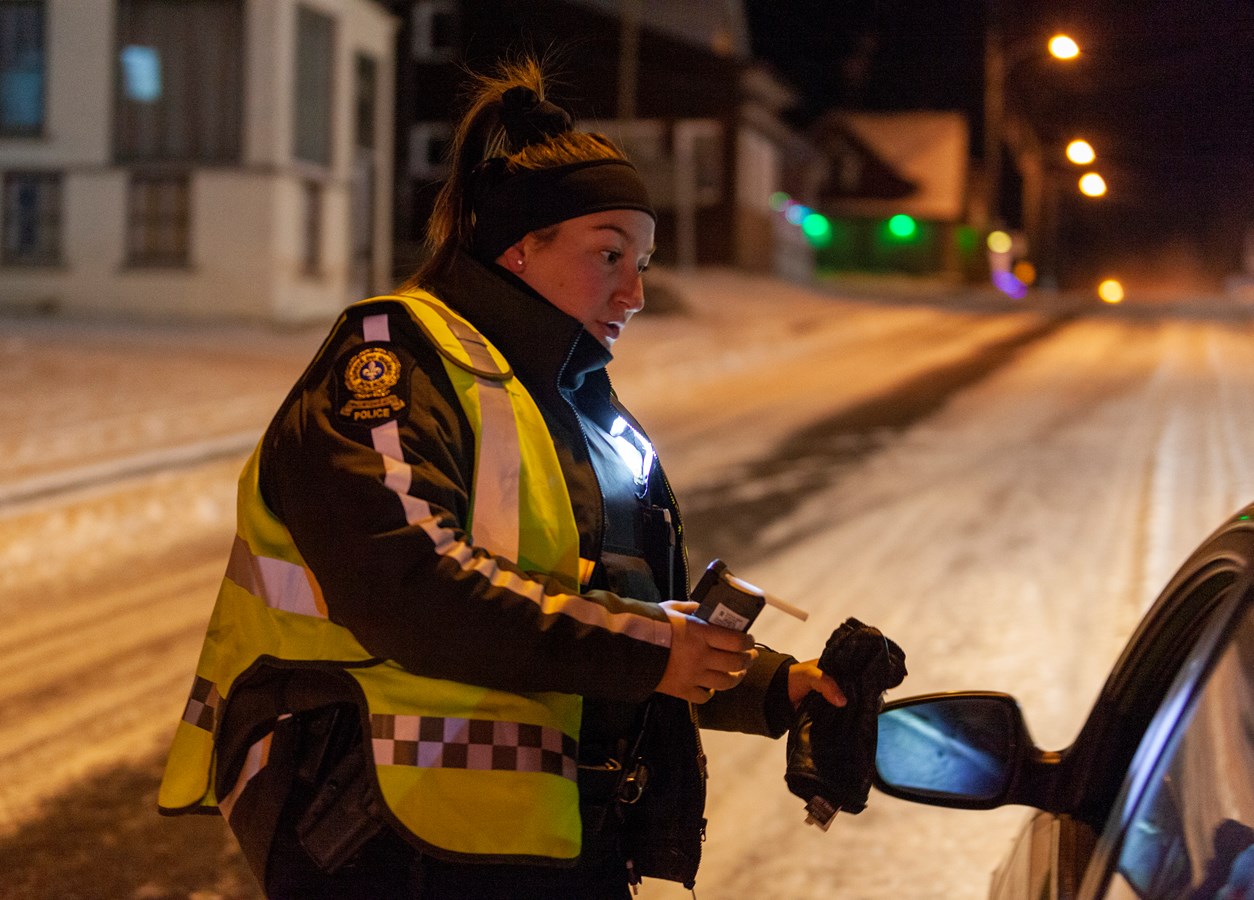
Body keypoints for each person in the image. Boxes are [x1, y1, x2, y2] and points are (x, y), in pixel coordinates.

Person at [158, 58, 848, 898]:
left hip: (541, 839)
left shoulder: (575, 406)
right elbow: (411, 587)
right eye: (609, 254)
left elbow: (627, 614)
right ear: (521, 249)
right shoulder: (389, 358)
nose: (634, 290)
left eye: (645, 262)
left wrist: (776, 686)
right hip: (381, 832)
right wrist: (653, 649)